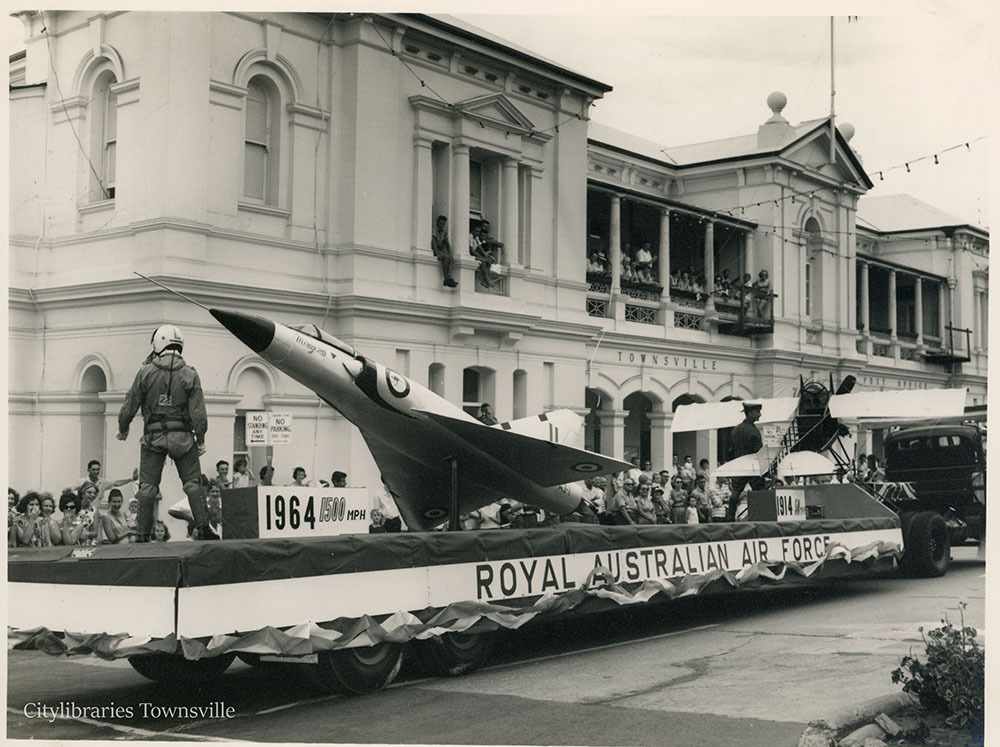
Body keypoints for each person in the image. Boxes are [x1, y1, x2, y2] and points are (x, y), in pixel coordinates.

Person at [117, 324, 217, 541]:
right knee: (192, 483)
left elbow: (130, 403)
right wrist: (200, 439)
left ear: (158, 343)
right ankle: (204, 527)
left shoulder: (145, 371)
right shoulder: (190, 374)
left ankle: (142, 534)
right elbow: (199, 413)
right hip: (183, 438)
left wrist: (123, 428)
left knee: (148, 488)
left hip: (153, 438)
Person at [727, 402, 765, 521]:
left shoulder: (735, 429)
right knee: (759, 490)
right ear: (750, 413)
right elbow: (758, 451)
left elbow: (730, 449)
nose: (760, 414)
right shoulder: (754, 431)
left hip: (739, 464)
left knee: (736, 490)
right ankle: (759, 515)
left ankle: (730, 515)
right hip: (752, 465)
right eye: (757, 412)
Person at [71, 459, 137, 511]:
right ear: (88, 470)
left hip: (95, 512)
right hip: (82, 511)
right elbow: (68, 491)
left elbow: (116, 483)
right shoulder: (82, 482)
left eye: (98, 469)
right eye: (93, 469)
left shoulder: (102, 482)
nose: (96, 472)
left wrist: (131, 479)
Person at [431, 215, 458, 287]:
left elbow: (447, 243)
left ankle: (449, 277)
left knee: (451, 258)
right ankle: (446, 278)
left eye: (443, 224)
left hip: (441, 250)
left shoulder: (444, 233)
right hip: (435, 249)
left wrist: (450, 253)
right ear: (437, 223)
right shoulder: (434, 232)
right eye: (440, 223)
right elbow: (434, 245)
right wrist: (437, 253)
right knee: (445, 258)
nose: (442, 225)